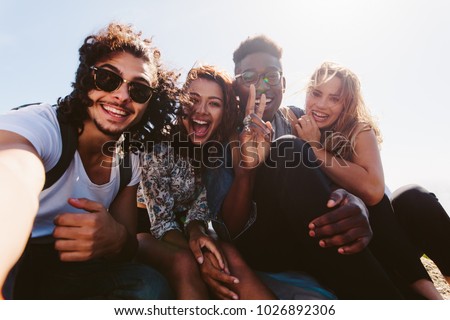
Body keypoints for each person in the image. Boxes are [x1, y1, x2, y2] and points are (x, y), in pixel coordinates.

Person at [200, 35, 403, 299]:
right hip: (258, 247)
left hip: (304, 236)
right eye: (249, 76)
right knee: (289, 149)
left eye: (271, 76)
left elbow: (337, 172)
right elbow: (231, 230)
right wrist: (246, 170)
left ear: (283, 83)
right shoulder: (221, 132)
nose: (261, 86)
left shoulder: (297, 118)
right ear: (235, 86)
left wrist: (353, 202)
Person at [0, 22, 177, 299]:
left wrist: (116, 239)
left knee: (149, 285)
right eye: (108, 79)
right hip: (17, 262)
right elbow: (11, 173)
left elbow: (126, 243)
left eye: (139, 90)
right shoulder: (43, 126)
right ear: (86, 79)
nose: (122, 96)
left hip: (69, 270)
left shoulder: (129, 160)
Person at [294, 61, 443, 299]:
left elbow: (373, 189)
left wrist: (314, 148)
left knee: (409, 196)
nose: (321, 104)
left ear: (347, 103)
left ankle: (433, 296)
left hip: (390, 233)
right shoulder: (296, 127)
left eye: (334, 98)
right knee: (354, 204)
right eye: (316, 93)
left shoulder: (358, 130)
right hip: (352, 242)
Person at [135, 65, 276, 300]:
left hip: (187, 229)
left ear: (224, 112)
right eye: (193, 99)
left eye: (214, 103)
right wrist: (200, 253)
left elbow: (199, 209)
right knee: (186, 262)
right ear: (180, 103)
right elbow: (161, 223)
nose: (201, 111)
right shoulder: (158, 146)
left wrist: (197, 232)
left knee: (226, 253)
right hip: (146, 234)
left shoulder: (213, 150)